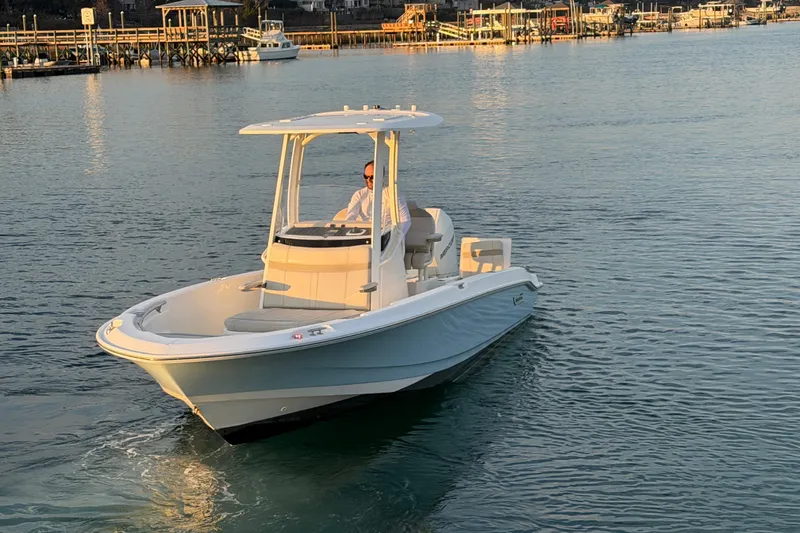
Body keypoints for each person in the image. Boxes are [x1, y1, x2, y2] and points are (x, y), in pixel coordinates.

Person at [345, 160, 411, 238]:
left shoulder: (392, 193)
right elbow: (350, 217)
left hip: (387, 237)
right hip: (364, 236)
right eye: (366, 177)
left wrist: (395, 240)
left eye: (372, 177)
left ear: (380, 176)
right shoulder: (359, 195)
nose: (368, 180)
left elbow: (405, 221)